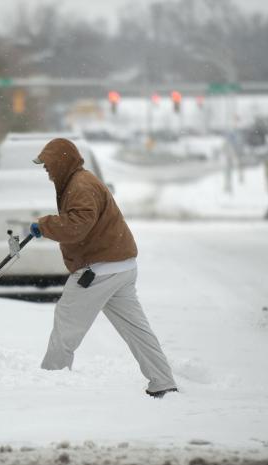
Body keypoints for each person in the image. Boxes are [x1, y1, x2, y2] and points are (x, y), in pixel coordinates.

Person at [29, 138, 178, 398]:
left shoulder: (80, 186)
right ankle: (163, 381)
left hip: (100, 271)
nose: (45, 169)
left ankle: (50, 385)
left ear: (62, 161)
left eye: (48, 164)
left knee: (66, 325)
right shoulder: (80, 181)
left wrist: (45, 225)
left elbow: (78, 225)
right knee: (136, 329)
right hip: (121, 267)